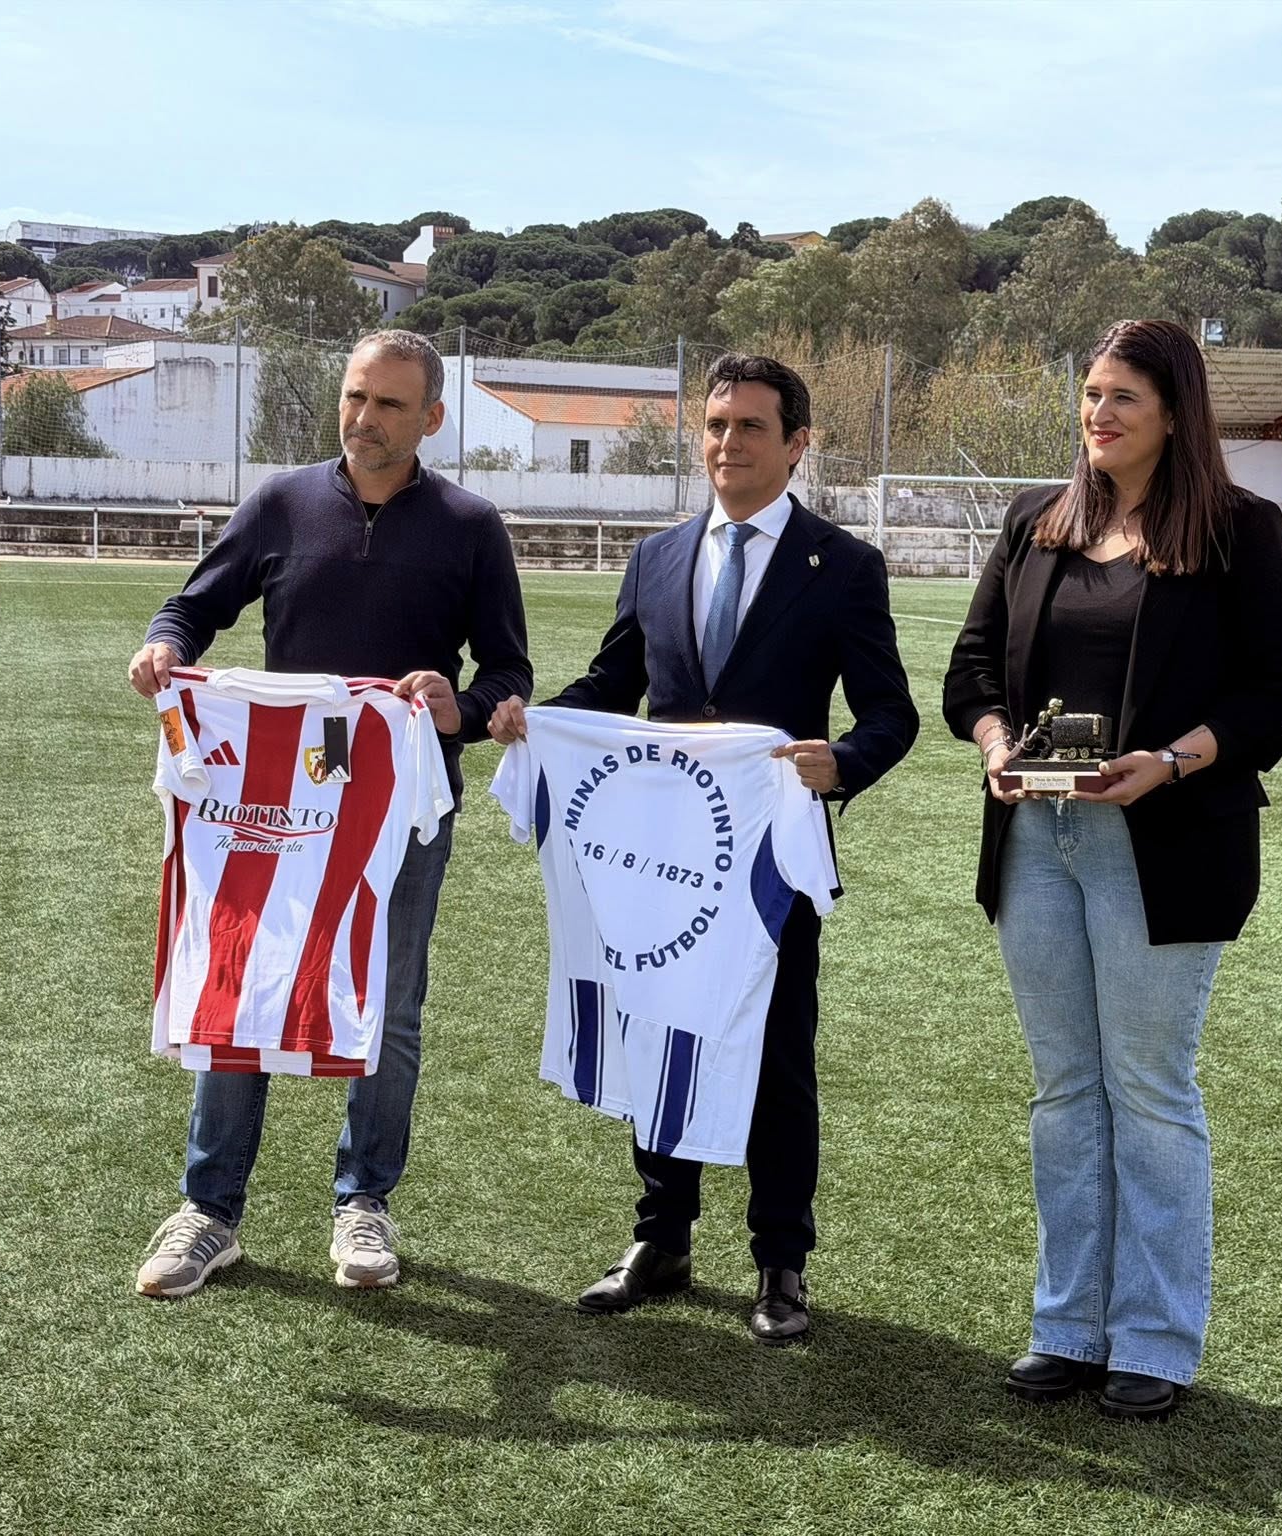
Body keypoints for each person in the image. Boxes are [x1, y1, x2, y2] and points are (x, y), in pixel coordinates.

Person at [489, 353, 918, 1342]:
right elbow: (611, 688)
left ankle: (780, 1262)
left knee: (777, 1053)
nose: (728, 443)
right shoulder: (656, 558)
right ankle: (662, 1239)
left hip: (770, 860)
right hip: (663, 857)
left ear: (797, 443)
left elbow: (889, 713)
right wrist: (536, 722)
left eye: (751, 427)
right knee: (660, 1031)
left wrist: (842, 763)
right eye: (716, 425)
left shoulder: (842, 566)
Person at [941, 319, 1282, 1419]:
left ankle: (1152, 1340)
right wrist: (996, 747)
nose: (1098, 414)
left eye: (1123, 398)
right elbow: (970, 671)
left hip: (1164, 845)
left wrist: (1169, 762)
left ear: (1174, 413)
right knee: (1065, 1089)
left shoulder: (1238, 529)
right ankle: (1067, 1327)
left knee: (1146, 1090)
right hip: (1036, 844)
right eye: (1092, 394)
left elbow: (1274, 696)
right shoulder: (1035, 521)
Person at [127, 328, 530, 1298]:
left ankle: (364, 1201)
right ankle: (209, 1211)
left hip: (403, 807)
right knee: (244, 981)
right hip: (280, 796)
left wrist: (461, 707)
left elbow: (507, 674)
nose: (365, 418)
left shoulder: (471, 526)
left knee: (389, 1002)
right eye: (355, 396)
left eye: (389, 403)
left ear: (431, 417)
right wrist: (163, 646)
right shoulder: (281, 502)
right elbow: (194, 607)